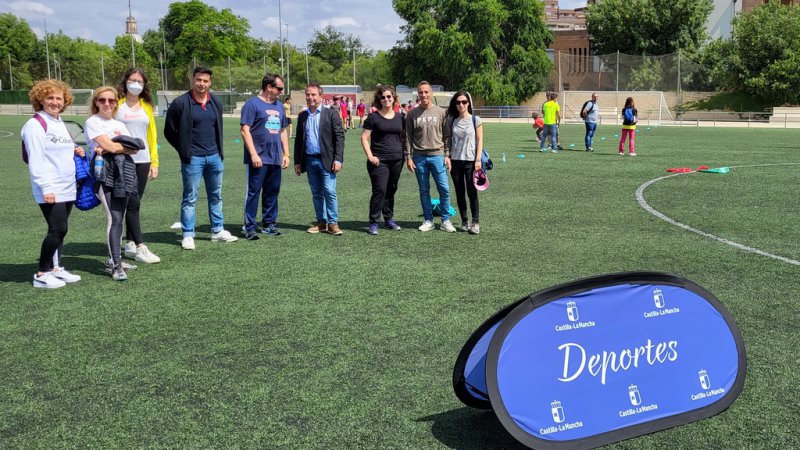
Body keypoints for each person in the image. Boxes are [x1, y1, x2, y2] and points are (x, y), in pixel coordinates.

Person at [164, 66, 238, 250]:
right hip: (193, 159)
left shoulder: (215, 102)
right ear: (192, 79)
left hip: (215, 157)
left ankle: (217, 230)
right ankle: (188, 234)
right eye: (198, 79)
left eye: (205, 81)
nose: (202, 84)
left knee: (216, 196)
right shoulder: (181, 103)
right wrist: (184, 150)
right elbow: (169, 131)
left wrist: (219, 152)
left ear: (210, 82)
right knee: (190, 198)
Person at [23, 79, 84, 288]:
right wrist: (45, 188)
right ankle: (42, 273)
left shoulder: (59, 123)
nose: (55, 102)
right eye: (50, 97)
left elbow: (61, 149)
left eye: (59, 98)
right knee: (58, 228)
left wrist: (76, 150)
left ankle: (55, 268)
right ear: (40, 99)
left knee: (61, 230)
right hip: (50, 187)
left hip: (67, 185)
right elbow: (36, 160)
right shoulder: (35, 125)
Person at [85, 86, 141, 281]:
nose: (107, 104)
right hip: (104, 172)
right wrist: (117, 146)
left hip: (124, 171)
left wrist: (112, 147)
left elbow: (135, 148)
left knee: (120, 216)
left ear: (116, 103)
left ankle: (113, 258)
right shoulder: (93, 121)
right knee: (114, 218)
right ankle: (116, 265)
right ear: (96, 102)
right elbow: (114, 146)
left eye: (111, 100)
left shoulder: (119, 124)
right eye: (102, 100)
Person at [115, 68, 161, 264]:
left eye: (139, 81)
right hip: (121, 160)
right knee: (131, 203)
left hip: (143, 160)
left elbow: (152, 135)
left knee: (134, 203)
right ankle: (141, 246)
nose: (136, 84)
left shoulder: (146, 106)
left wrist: (154, 161)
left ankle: (130, 243)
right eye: (132, 80)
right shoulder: (116, 104)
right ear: (125, 81)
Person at [240, 74, 290, 240]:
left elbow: (282, 131)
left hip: (275, 157)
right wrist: (254, 154)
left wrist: (286, 154)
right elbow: (245, 130)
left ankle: (269, 223)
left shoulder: (279, 106)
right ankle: (249, 227)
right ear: (269, 87)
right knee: (253, 192)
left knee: (272, 191)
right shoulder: (252, 104)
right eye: (279, 88)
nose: (281, 92)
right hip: (258, 158)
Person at [294, 83, 346, 236]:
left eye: (313, 94)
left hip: (327, 160)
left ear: (321, 96)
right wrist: (297, 161)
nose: (310, 97)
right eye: (307, 94)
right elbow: (299, 140)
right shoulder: (302, 116)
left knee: (329, 191)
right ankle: (321, 222)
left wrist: (338, 159)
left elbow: (339, 137)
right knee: (316, 192)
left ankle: (333, 223)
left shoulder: (331, 113)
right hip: (310, 160)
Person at [405, 81, 455, 232]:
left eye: (426, 92)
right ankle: (428, 220)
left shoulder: (441, 112)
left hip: (438, 156)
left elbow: (447, 136)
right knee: (424, 190)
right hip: (419, 158)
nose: (424, 95)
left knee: (444, 189)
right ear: (418, 94)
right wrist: (408, 157)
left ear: (431, 93)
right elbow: (407, 137)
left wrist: (447, 155)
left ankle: (445, 220)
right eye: (421, 92)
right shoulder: (412, 114)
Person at [361, 86, 405, 235]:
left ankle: (389, 219)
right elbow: (364, 137)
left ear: (393, 98)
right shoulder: (373, 117)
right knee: (380, 190)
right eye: (383, 97)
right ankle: (374, 222)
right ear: (379, 100)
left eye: (389, 97)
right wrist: (370, 156)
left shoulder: (400, 117)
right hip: (379, 161)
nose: (386, 99)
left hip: (397, 159)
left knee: (391, 189)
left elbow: (404, 137)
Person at [447, 91, 483, 235]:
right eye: (458, 102)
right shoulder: (451, 120)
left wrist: (478, 159)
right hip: (455, 161)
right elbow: (448, 140)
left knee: (472, 192)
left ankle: (475, 222)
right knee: (459, 192)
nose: (461, 104)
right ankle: (464, 221)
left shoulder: (475, 119)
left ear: (468, 103)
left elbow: (480, 140)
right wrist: (447, 157)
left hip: (471, 161)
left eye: (464, 102)